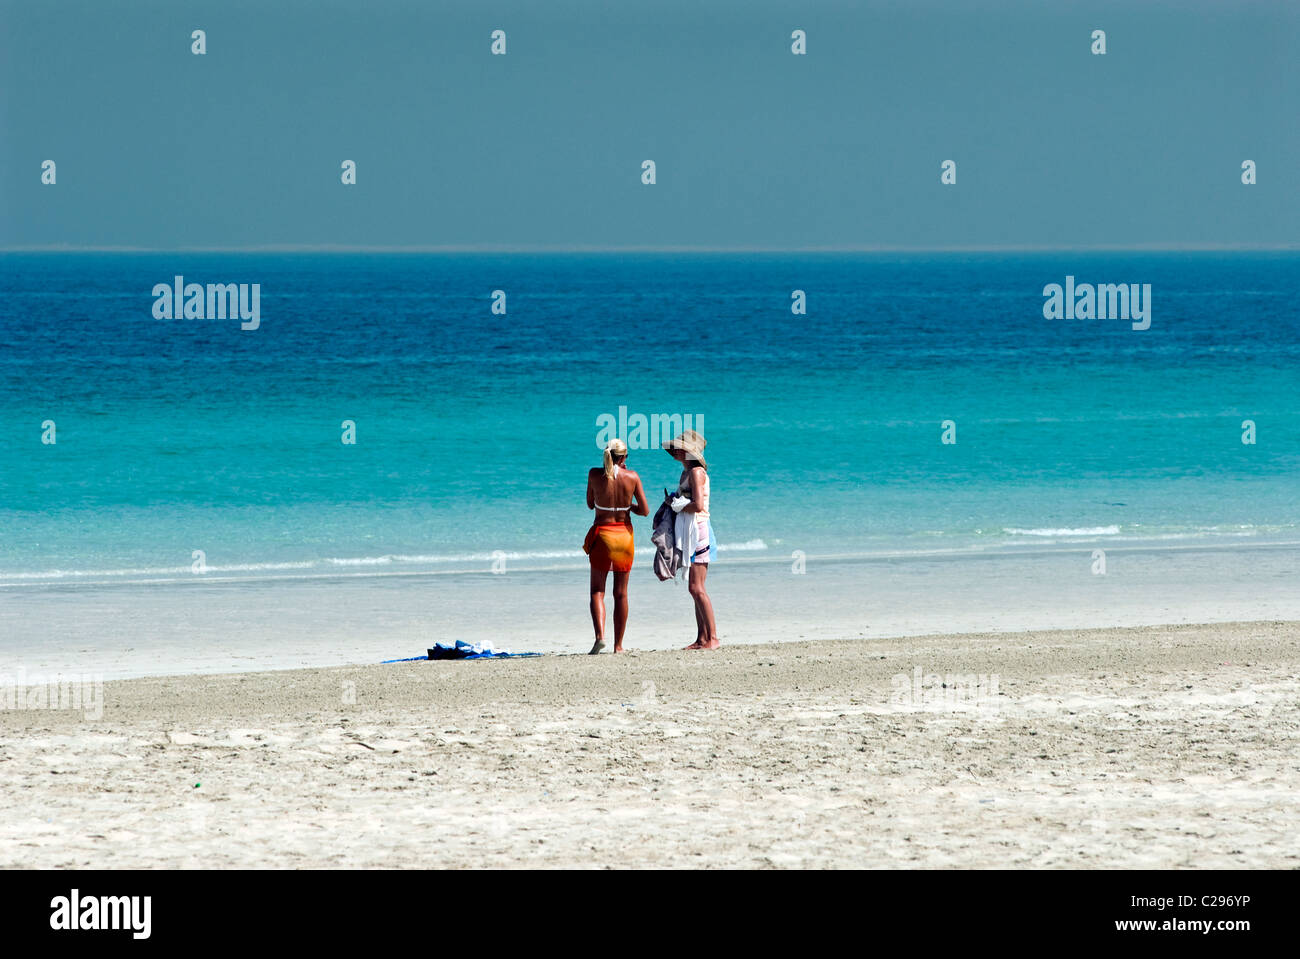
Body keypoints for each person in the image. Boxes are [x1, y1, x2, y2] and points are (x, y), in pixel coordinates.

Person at [584, 438, 648, 654]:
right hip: (623, 537)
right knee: (621, 594)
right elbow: (645, 511)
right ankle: (618, 646)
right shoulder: (632, 476)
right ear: (624, 457)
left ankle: (600, 637)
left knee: (597, 591)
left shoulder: (594, 474)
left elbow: (590, 504)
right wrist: (627, 505)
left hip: (602, 535)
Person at [663, 430, 719, 649]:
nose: (676, 451)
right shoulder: (686, 473)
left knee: (697, 588)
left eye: (680, 448)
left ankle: (712, 638)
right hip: (692, 530)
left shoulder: (696, 472)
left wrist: (675, 504)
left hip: (699, 530)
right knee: (695, 588)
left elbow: (698, 505)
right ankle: (701, 638)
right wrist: (674, 501)